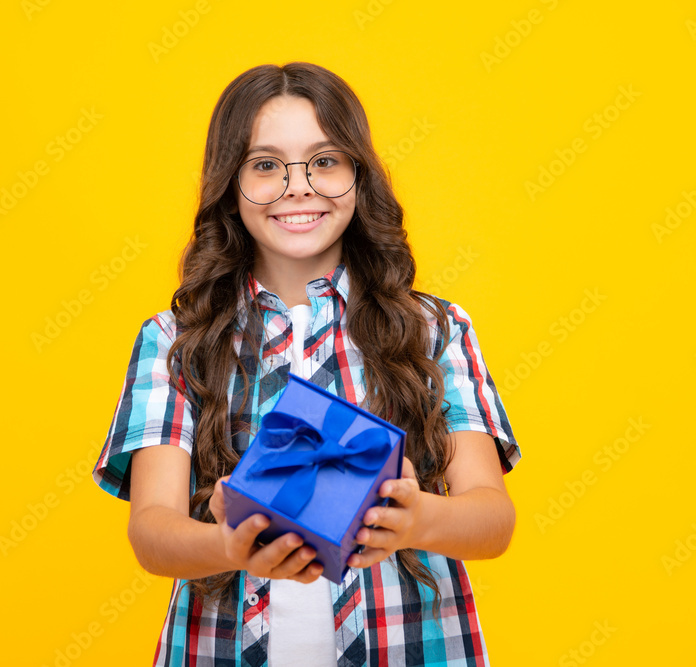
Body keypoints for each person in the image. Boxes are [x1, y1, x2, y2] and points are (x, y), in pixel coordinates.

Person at [92, 61, 521, 667]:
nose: (298, 186)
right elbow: (152, 531)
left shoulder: (433, 329)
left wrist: (419, 519)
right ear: (229, 185)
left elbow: (492, 518)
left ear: (357, 176)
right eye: (266, 165)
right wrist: (228, 544)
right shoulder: (176, 341)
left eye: (324, 161)